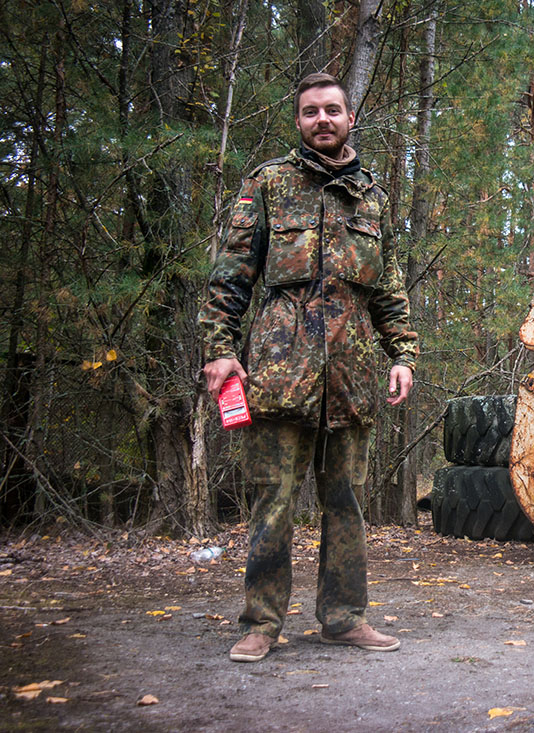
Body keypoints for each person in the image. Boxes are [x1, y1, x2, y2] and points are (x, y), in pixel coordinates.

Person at [198, 72, 417, 663]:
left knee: (345, 501)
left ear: (350, 119)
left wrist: (403, 355)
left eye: (332, 111)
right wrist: (222, 348)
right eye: (310, 112)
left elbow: (388, 287)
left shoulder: (372, 195)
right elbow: (231, 274)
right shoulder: (268, 183)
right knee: (272, 500)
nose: (322, 120)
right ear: (298, 121)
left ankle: (343, 619)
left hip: (351, 375)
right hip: (277, 373)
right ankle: (261, 623)